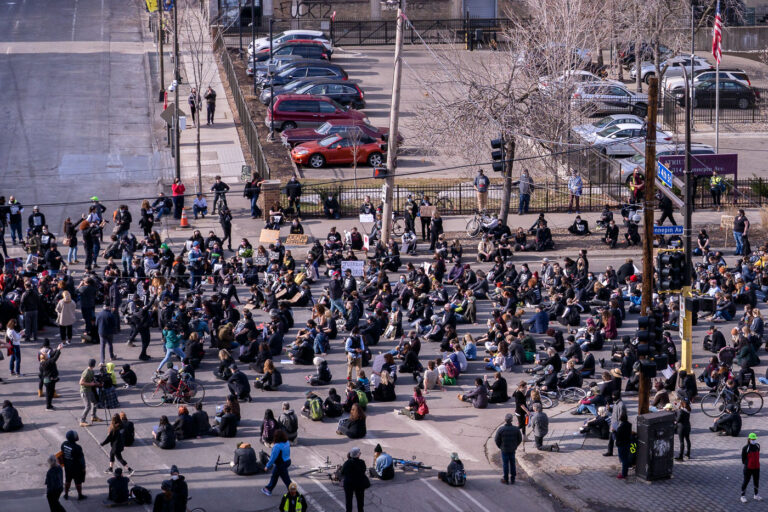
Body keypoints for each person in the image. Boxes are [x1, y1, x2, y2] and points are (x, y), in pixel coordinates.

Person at [262, 430, 292, 496]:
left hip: (281, 464)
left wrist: (267, 466)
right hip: (287, 461)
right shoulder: (287, 442)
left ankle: (293, 493)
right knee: (275, 476)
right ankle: (268, 489)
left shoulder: (277, 446)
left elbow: (273, 458)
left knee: (286, 480)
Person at [494, 414, 523, 484]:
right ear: (512, 420)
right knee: (513, 464)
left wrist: (500, 447)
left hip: (504, 449)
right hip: (512, 449)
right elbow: (520, 439)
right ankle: (513, 479)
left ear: (505, 420)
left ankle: (506, 479)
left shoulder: (501, 429)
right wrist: (515, 446)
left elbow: (496, 440)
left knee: (505, 464)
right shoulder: (516, 429)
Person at [60, 430, 87, 500]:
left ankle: (66, 494)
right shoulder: (78, 447)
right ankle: (80, 495)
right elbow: (81, 459)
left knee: (67, 480)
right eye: (76, 435)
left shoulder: (64, 444)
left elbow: (62, 454)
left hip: (67, 467)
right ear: (74, 438)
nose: (77, 436)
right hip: (76, 468)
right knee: (78, 482)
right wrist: (83, 468)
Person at [340, 447, 368, 512]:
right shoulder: (362, 462)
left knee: (349, 501)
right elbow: (363, 471)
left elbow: (342, 472)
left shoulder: (347, 463)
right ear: (358, 455)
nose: (360, 454)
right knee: (360, 501)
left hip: (349, 484)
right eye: (359, 453)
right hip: (359, 484)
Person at [79, 358, 103, 427]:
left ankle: (93, 416)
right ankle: (82, 421)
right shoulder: (86, 372)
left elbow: (93, 381)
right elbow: (81, 382)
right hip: (85, 391)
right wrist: (91, 384)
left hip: (90, 390)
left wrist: (98, 384)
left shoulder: (91, 371)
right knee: (88, 406)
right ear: (94, 365)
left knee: (95, 402)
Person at [40, 343, 63, 411]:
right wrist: (58, 350)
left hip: (48, 379)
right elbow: (55, 358)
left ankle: (49, 405)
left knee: (50, 392)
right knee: (49, 393)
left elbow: (52, 355)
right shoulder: (47, 363)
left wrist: (57, 349)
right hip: (49, 380)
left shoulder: (44, 362)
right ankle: (48, 406)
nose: (48, 355)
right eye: (47, 355)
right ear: (45, 357)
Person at [741, 432, 762, 503]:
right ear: (749, 439)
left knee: (756, 481)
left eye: (754, 439)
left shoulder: (757, 446)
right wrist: (747, 464)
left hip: (756, 467)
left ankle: (756, 495)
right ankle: (743, 496)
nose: (754, 440)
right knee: (746, 481)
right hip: (748, 468)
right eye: (752, 439)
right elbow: (743, 459)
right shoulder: (745, 448)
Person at [615, 412, 632, 479]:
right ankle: (625, 472)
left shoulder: (620, 428)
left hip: (621, 444)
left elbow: (618, 436)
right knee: (626, 457)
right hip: (627, 443)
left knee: (623, 459)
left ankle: (624, 474)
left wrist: (614, 432)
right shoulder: (629, 424)